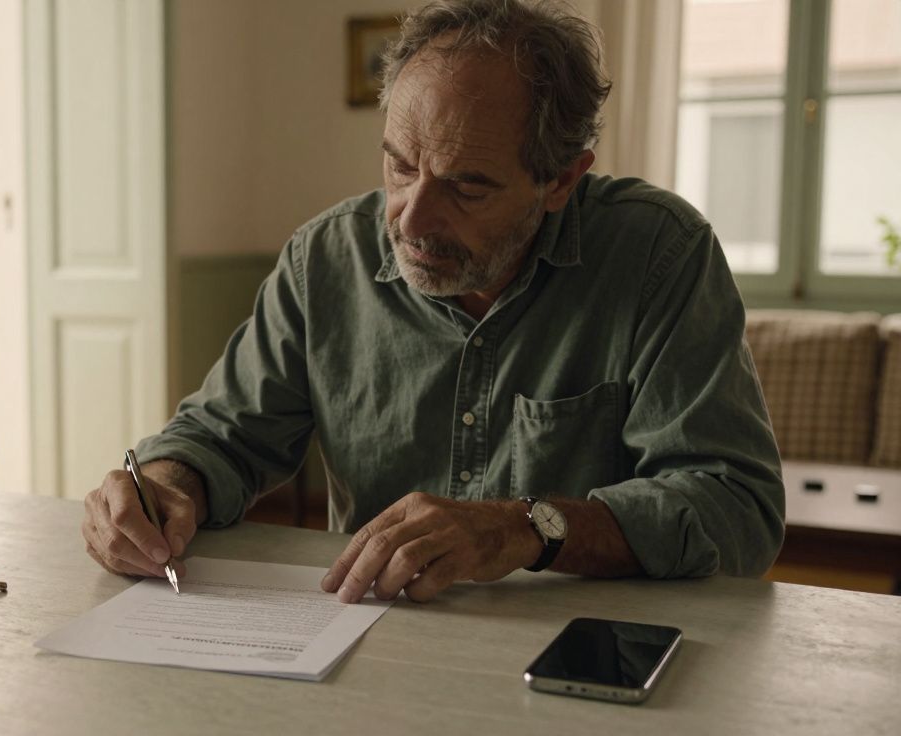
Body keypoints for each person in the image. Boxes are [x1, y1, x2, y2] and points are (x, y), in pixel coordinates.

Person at [81, 0, 785, 604]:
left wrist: (526, 527)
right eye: (400, 164)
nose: (410, 222)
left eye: (467, 186)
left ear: (561, 181)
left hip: (585, 652)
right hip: (364, 645)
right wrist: (166, 486)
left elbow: (737, 509)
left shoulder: (658, 257)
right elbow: (220, 438)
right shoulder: (326, 259)